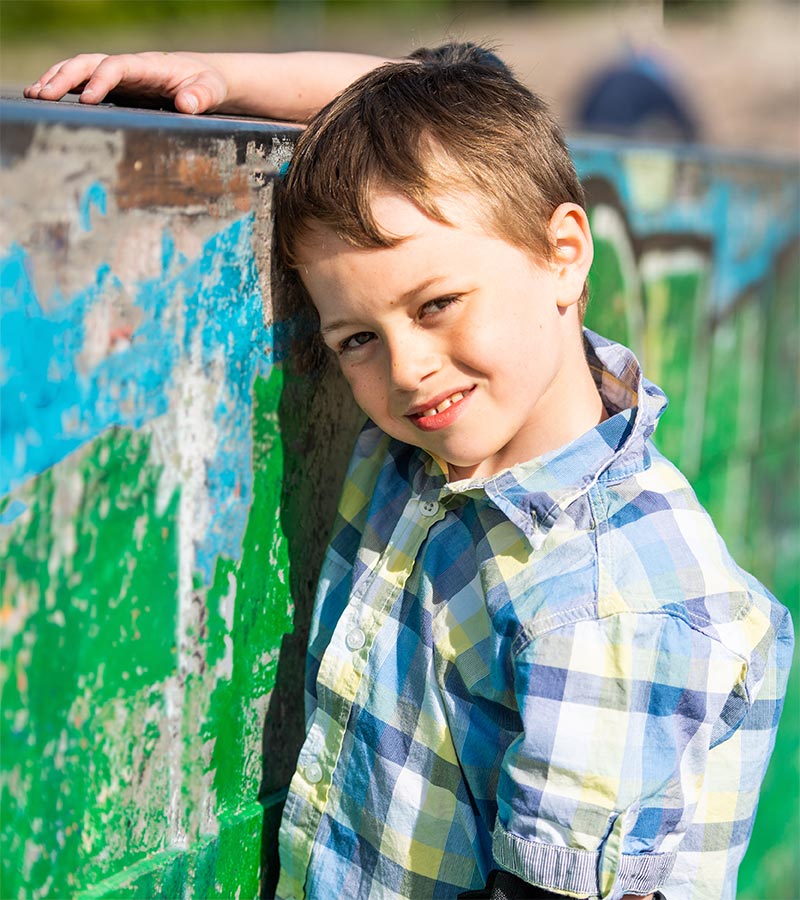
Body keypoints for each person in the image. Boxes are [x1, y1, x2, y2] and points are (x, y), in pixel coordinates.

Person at [26, 46, 793, 900]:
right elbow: (434, 105)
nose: (408, 367)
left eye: (436, 306)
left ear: (564, 254)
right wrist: (220, 79)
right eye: (357, 339)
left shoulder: (611, 602)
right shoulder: (450, 443)